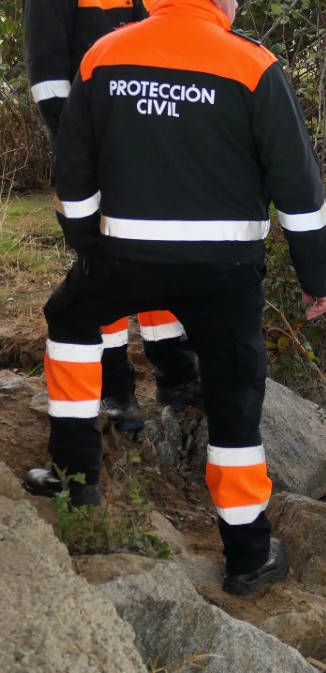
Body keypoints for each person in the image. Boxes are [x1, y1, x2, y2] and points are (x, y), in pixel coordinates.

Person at [34, 0, 326, 595]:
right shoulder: (253, 65)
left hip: (126, 258)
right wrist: (315, 275)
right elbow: (298, 187)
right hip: (225, 272)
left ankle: (74, 477)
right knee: (234, 396)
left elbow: (73, 166)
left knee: (69, 317)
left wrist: (84, 239)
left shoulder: (105, 53)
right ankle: (248, 552)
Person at [22, 0, 199, 436]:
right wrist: (85, 144)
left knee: (158, 250)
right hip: (92, 149)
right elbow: (48, 81)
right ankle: (115, 388)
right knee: (101, 258)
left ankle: (176, 374)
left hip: (148, 145)